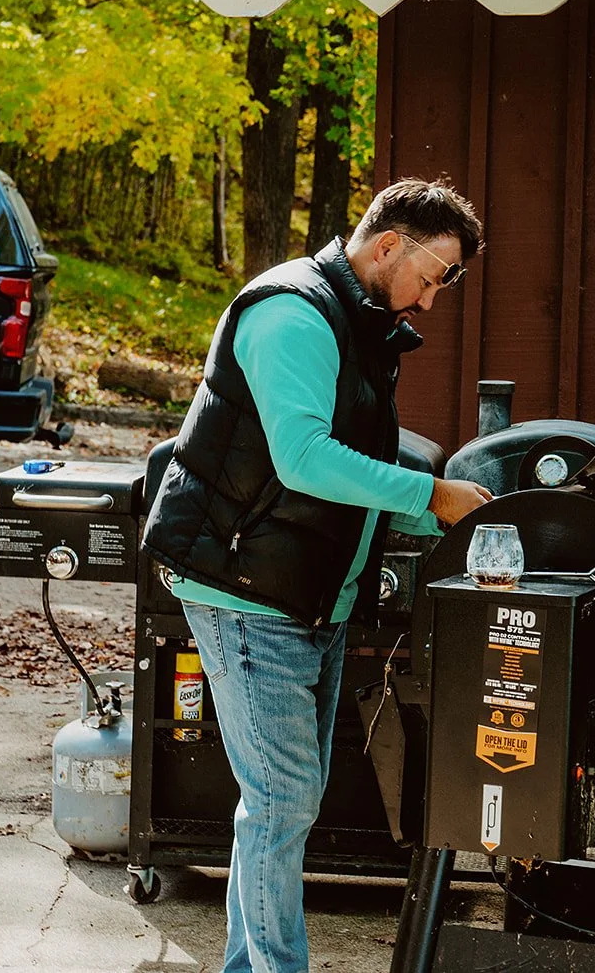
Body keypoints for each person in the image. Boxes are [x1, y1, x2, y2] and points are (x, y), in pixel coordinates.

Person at [142, 177, 492, 973]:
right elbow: (304, 460)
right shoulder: (292, 313)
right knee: (282, 799)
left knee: (279, 802)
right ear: (388, 244)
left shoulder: (359, 323)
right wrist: (432, 495)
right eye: (431, 278)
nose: (430, 301)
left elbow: (349, 476)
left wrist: (446, 517)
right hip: (244, 590)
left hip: (305, 595)